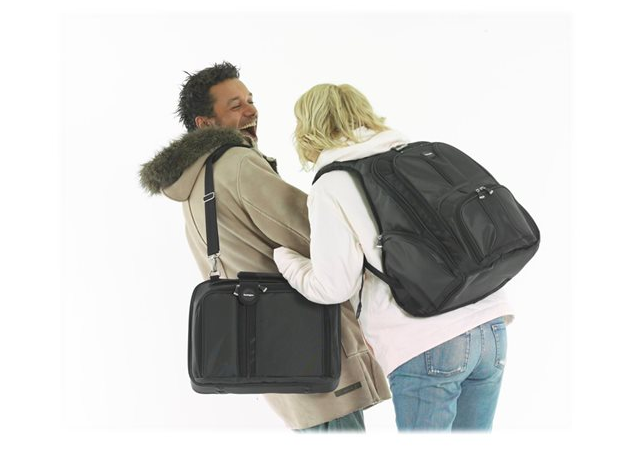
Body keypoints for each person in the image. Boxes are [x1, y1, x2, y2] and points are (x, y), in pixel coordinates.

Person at [139, 63, 390, 432]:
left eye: (250, 100)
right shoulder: (237, 163)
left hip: (270, 349)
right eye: (236, 105)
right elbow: (314, 234)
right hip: (309, 345)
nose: (251, 110)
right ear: (205, 123)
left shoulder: (195, 181)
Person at [273, 83, 514, 431]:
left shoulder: (333, 183)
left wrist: (285, 260)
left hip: (426, 339)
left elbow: (333, 286)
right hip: (491, 326)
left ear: (309, 128)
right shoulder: (419, 156)